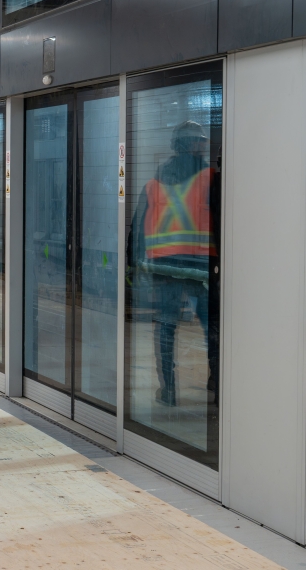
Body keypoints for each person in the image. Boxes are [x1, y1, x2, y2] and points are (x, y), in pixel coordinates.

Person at [126, 120, 219, 408]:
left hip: (164, 267)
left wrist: (133, 265)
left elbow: (137, 227)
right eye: (200, 142)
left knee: (165, 326)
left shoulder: (154, 183)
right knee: (211, 327)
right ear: (193, 144)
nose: (202, 146)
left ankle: (168, 390)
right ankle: (217, 385)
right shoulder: (211, 178)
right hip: (201, 268)